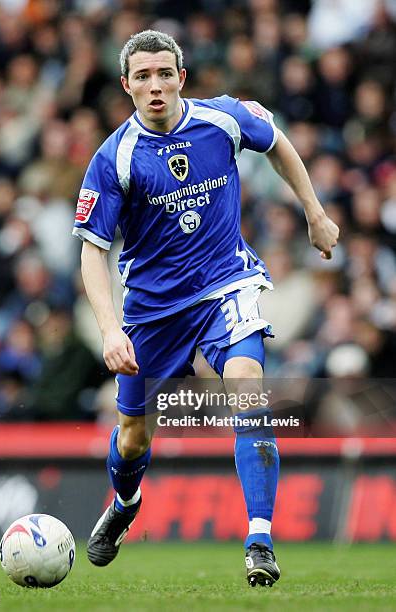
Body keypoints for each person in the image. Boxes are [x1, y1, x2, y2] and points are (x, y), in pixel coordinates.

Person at [72, 30, 339, 588]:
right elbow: (92, 254)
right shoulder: (114, 157)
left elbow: (278, 142)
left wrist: (314, 212)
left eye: (164, 74)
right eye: (142, 77)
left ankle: (260, 540)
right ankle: (125, 501)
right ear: (126, 86)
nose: (155, 86)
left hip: (226, 285)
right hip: (152, 311)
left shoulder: (221, 119)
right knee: (133, 437)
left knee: (248, 391)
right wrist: (109, 328)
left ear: (181, 78)